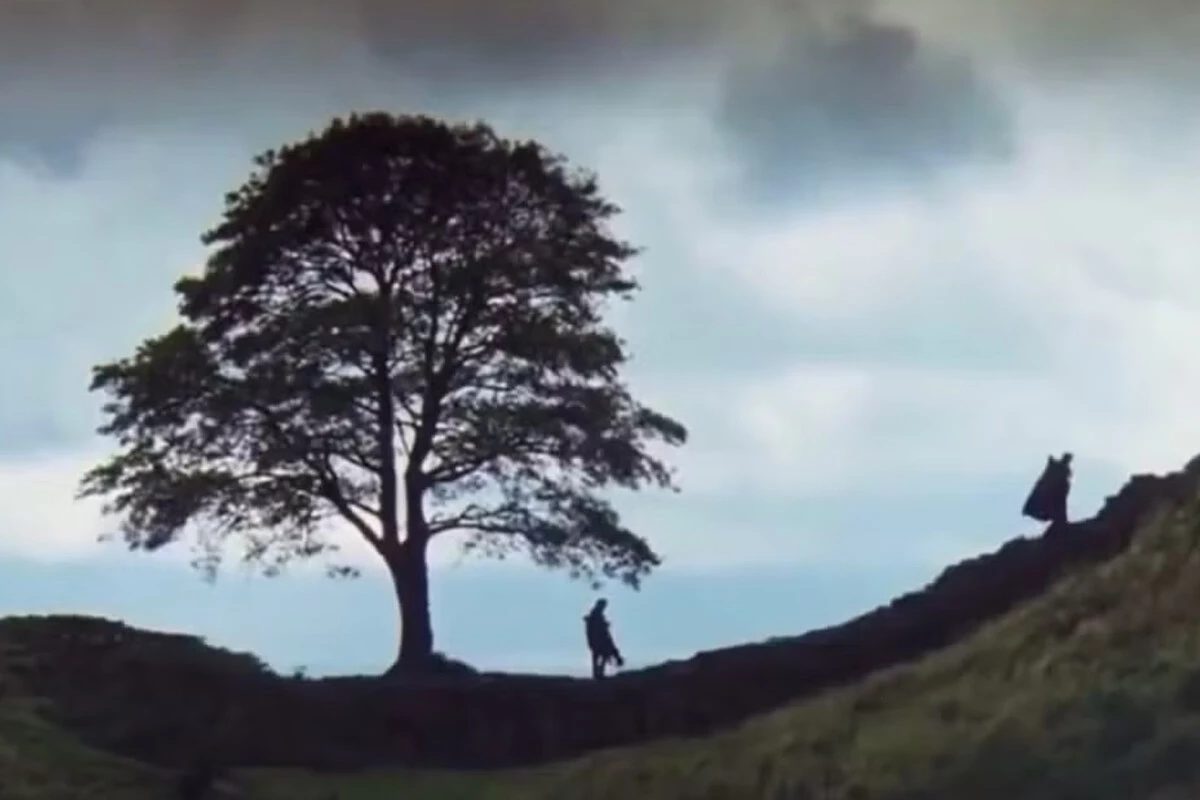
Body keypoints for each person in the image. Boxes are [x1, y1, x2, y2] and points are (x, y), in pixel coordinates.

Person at [1022, 452, 1073, 528]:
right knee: (1055, 508)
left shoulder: (1064, 469)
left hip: (1057, 495)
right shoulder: (1057, 466)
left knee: (1059, 507)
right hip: (1051, 494)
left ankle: (1060, 521)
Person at [584, 598, 624, 679]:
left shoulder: (596, 614)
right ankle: (598, 673)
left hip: (596, 639)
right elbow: (597, 627)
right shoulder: (596, 614)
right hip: (598, 639)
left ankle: (598, 673)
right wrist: (604, 626)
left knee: (599, 656)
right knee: (601, 655)